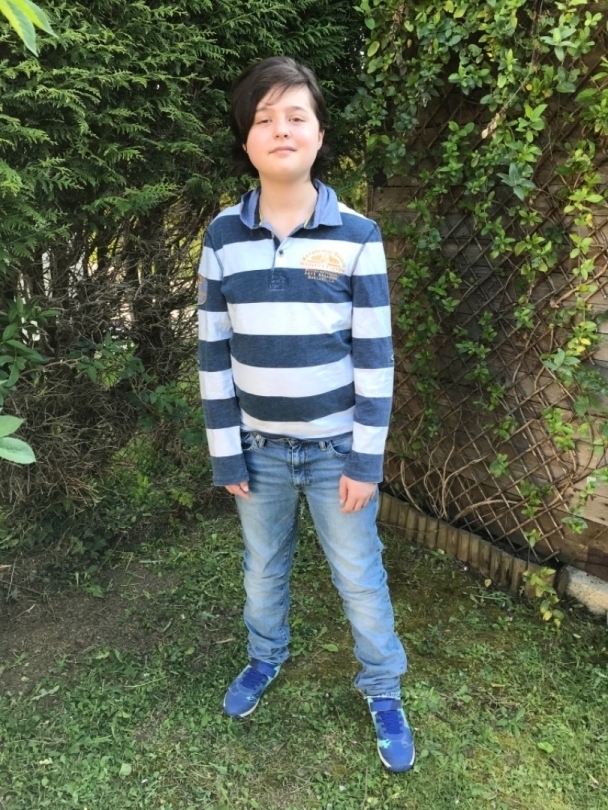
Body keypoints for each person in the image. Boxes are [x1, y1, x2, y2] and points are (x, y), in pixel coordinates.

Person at [197, 56, 414, 773]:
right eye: (264, 118)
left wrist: (365, 460)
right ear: (246, 140)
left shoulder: (357, 235)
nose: (281, 129)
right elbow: (212, 353)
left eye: (296, 116)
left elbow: (376, 359)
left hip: (335, 455)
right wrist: (226, 452)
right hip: (256, 451)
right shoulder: (222, 238)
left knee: (358, 575)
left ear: (320, 135)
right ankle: (265, 656)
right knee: (262, 569)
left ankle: (383, 688)